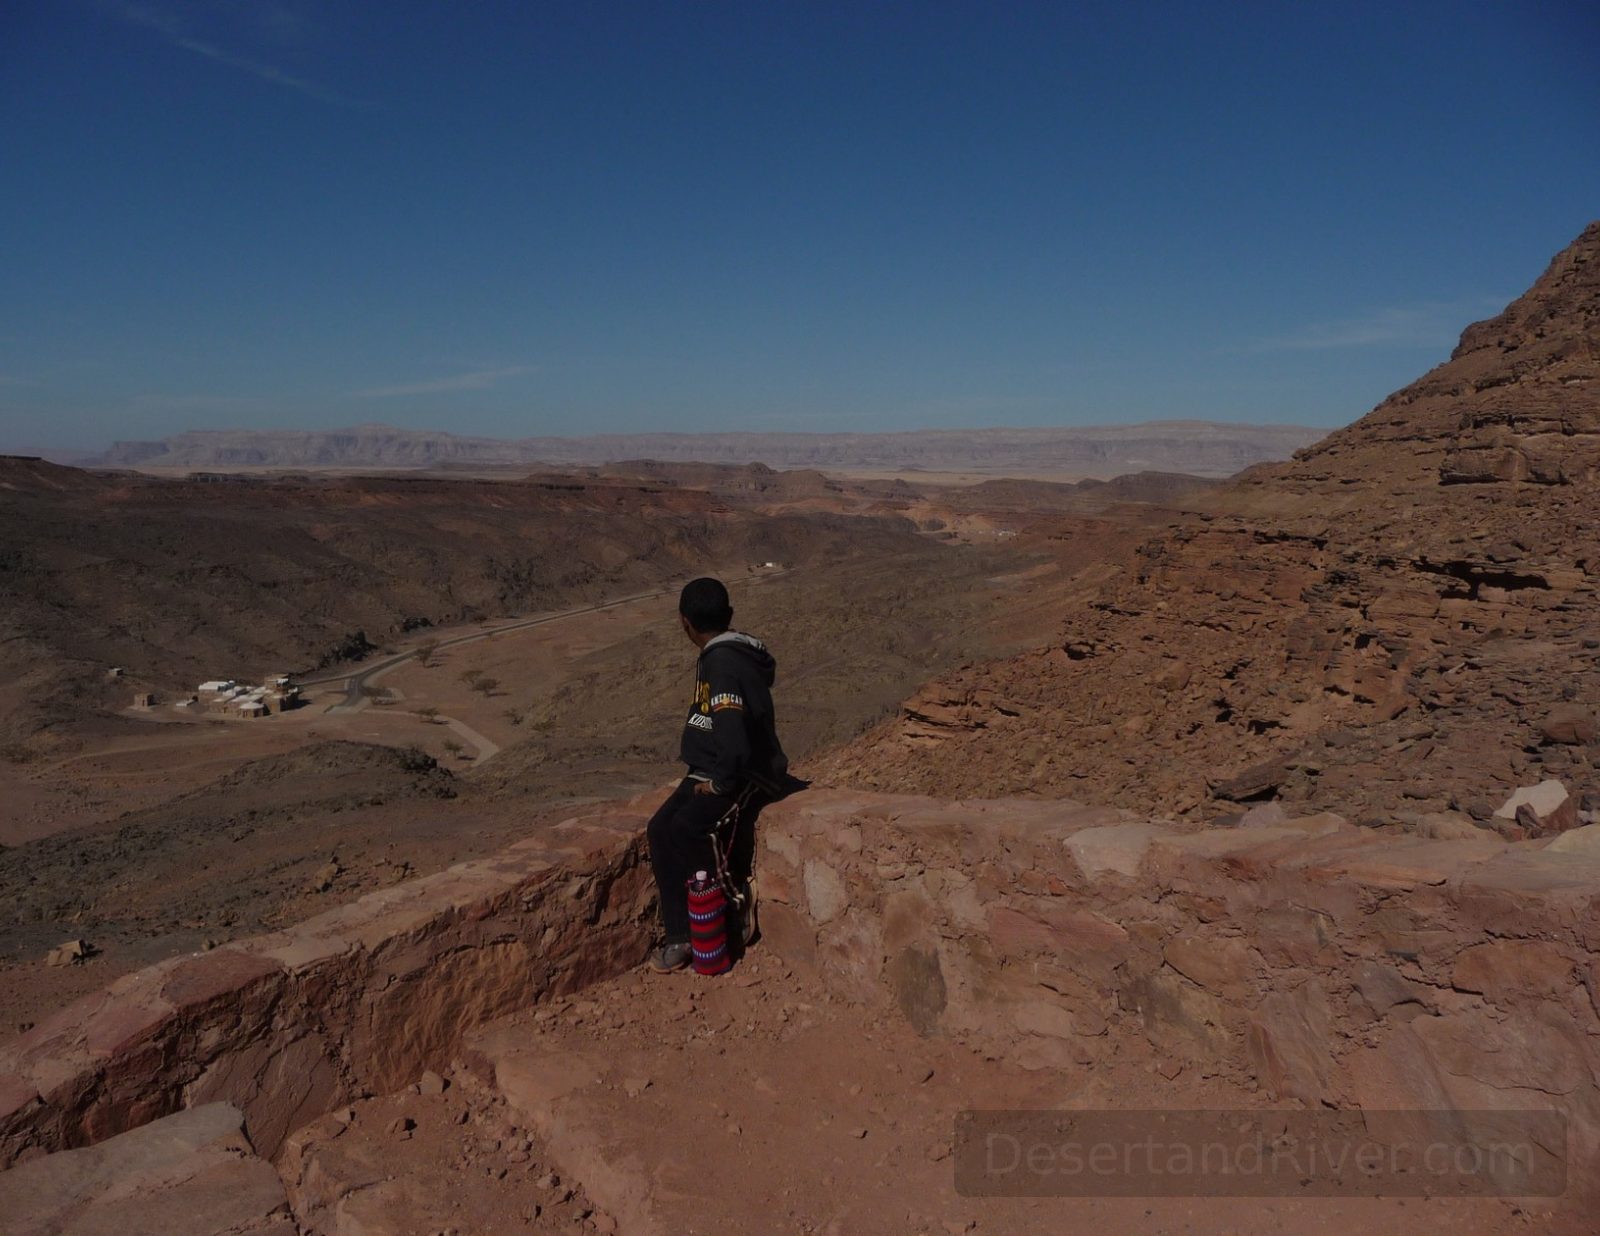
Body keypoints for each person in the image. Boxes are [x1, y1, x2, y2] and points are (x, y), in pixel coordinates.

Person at [645, 576, 788, 972]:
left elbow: (734, 739)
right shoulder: (722, 654)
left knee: (689, 828)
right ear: (728, 616)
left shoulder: (723, 665)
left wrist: (722, 783)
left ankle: (732, 906)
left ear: (683, 622)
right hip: (710, 765)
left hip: (742, 772)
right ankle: (681, 935)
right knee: (660, 829)